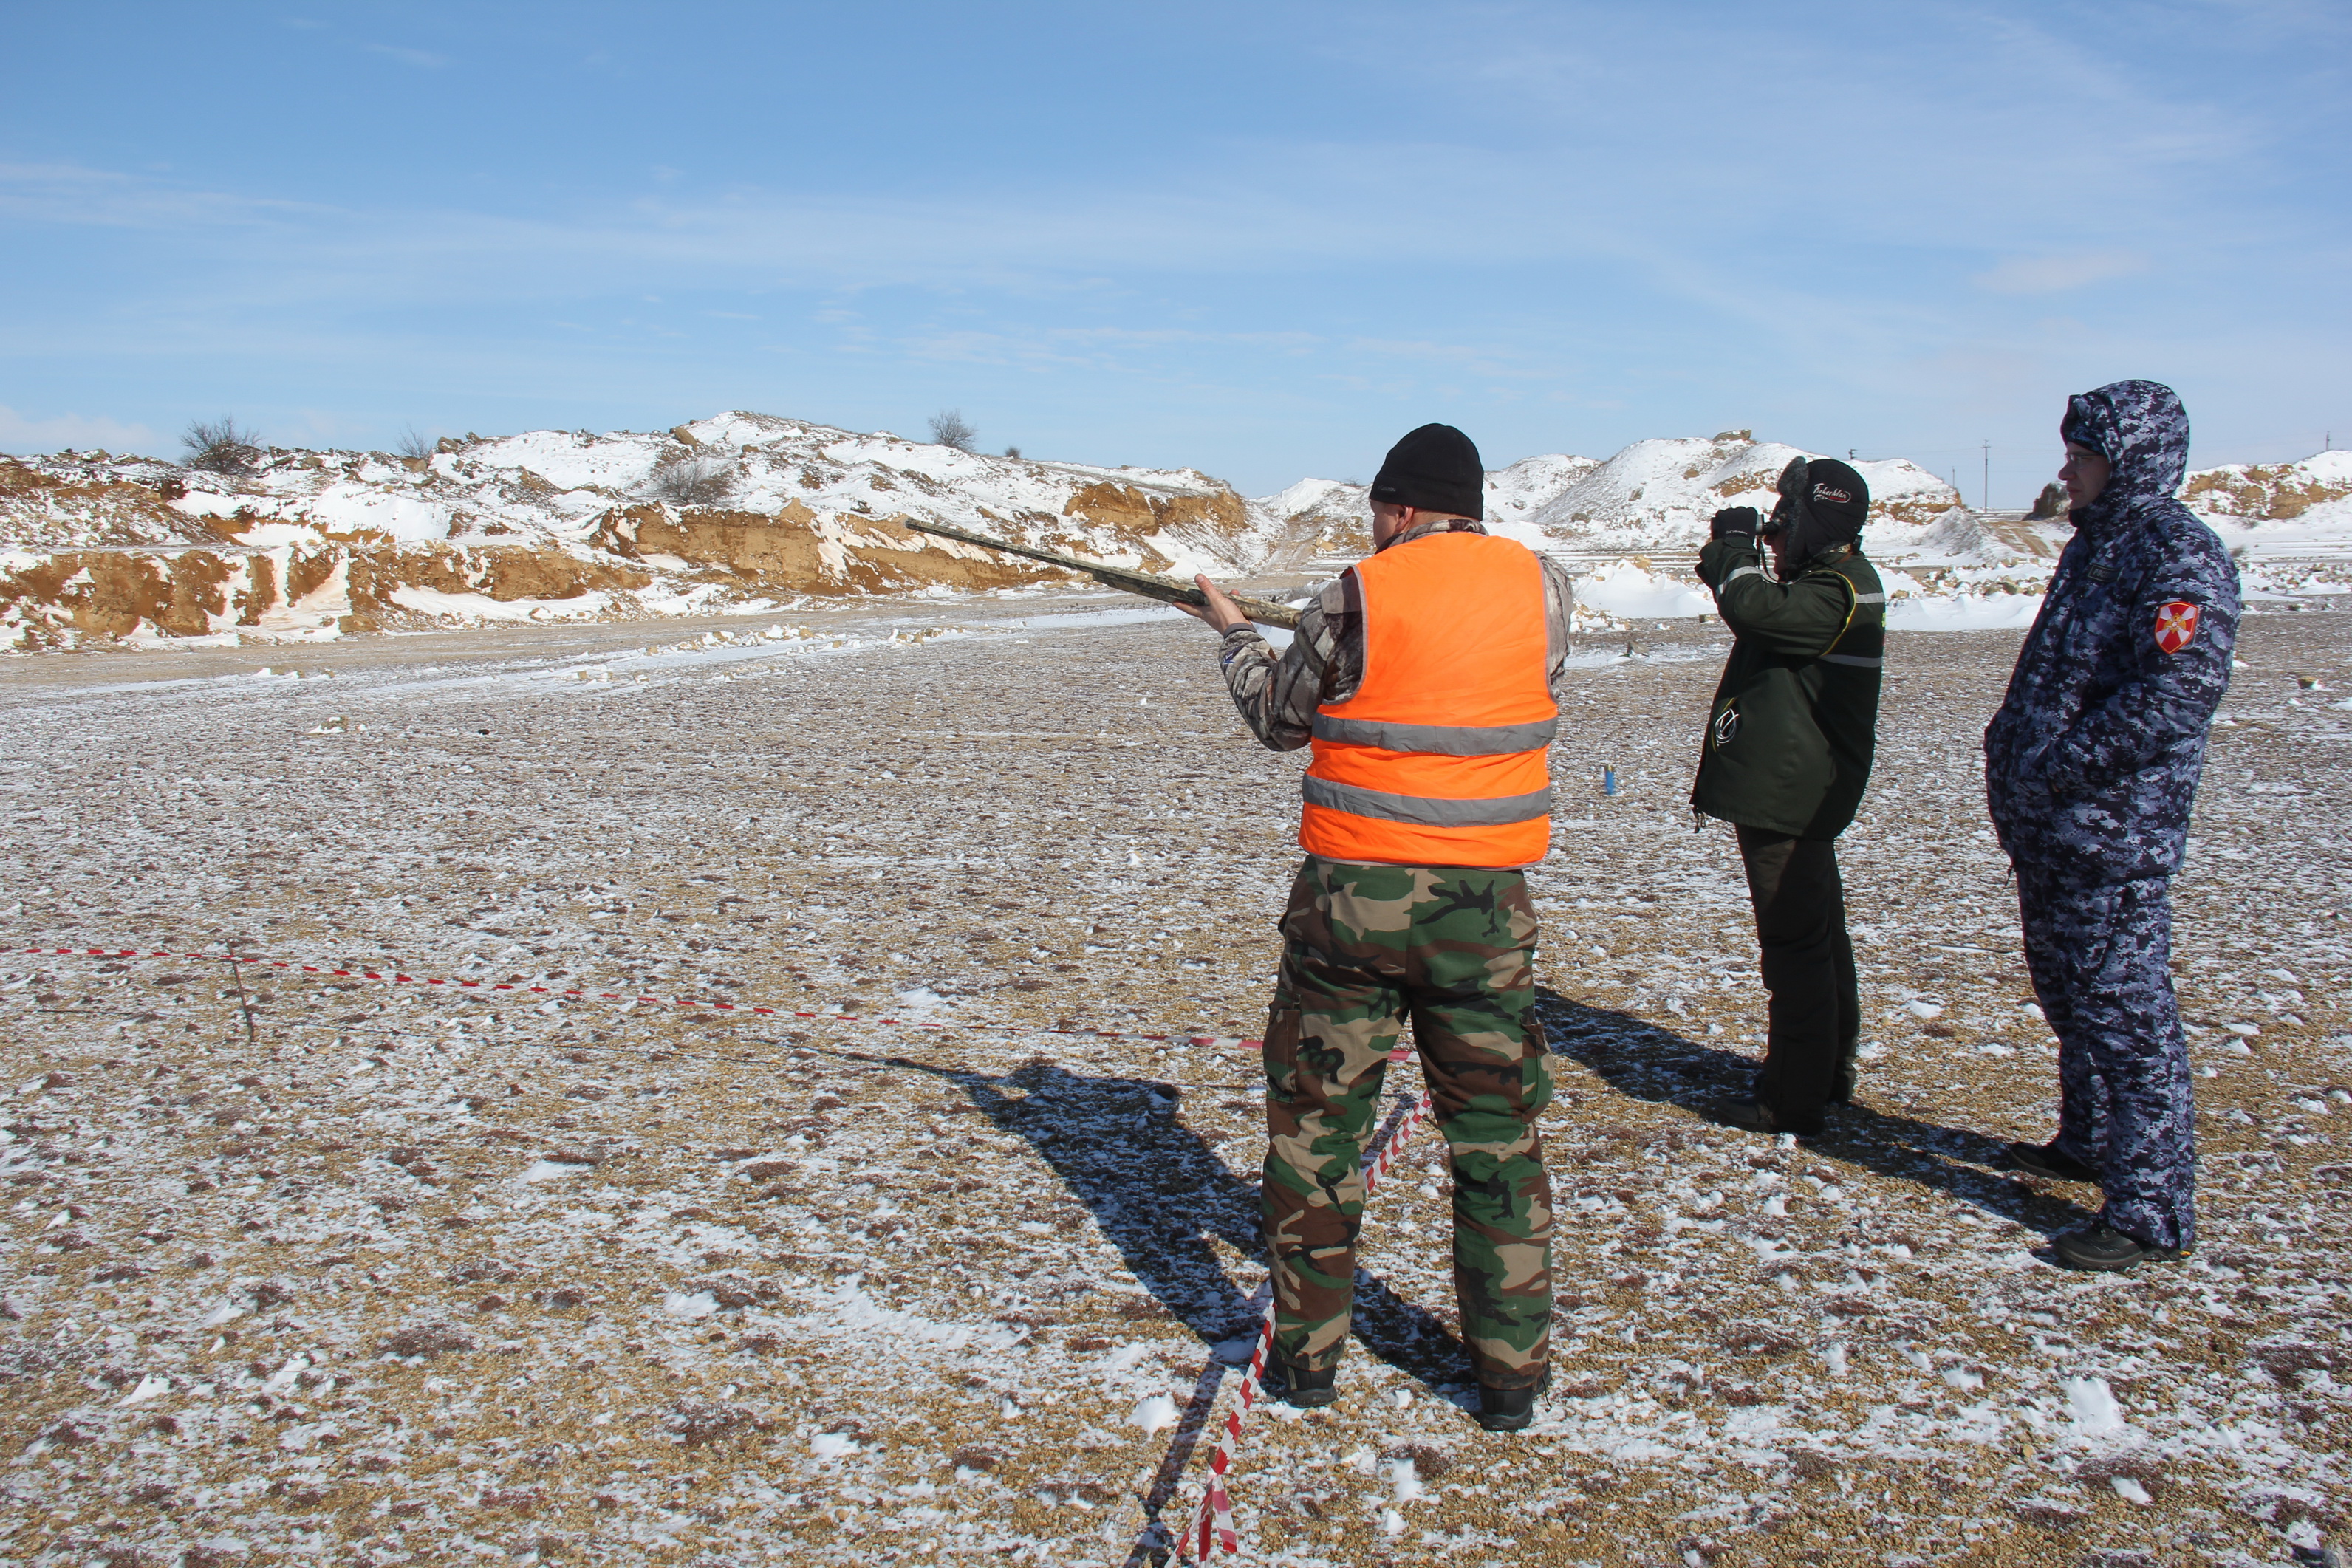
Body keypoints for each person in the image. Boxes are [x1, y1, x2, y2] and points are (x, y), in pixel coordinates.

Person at [1179, 423, 1572, 1433]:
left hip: (1349, 903)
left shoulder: (1353, 592)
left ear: (1399, 507)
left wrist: (1233, 632)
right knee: (1497, 1138)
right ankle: (1509, 1378)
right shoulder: (1545, 588)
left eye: (1375, 511)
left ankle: (1305, 1363)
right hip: (1484, 908)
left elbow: (1280, 718)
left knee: (1317, 1132)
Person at [1983, 380, 2238, 1273]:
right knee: (2070, 995)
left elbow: (2175, 696)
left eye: (2081, 457)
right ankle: (2087, 1142)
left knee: (2127, 1018)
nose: (2066, 472)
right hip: (2054, 828)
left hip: (2111, 834)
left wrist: (2057, 765)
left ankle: (2148, 1209)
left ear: (2129, 462)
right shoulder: (2096, 547)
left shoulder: (2178, 557)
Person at [1690, 457, 1887, 1137]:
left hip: (1791, 796)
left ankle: (1794, 1096)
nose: (1774, 539)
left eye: (1785, 523)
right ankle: (1825, 1073)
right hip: (1799, 790)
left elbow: (1756, 610)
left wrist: (1735, 551)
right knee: (1819, 936)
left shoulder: (1835, 592)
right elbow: (1757, 607)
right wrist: (1734, 557)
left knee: (1795, 945)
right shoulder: (1837, 583)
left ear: (1816, 522)